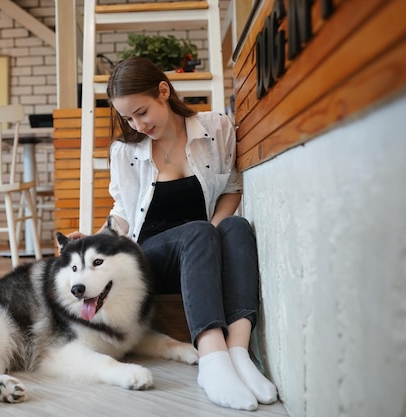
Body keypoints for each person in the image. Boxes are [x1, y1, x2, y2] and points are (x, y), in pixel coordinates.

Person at [69, 56, 277, 411]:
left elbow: (231, 187)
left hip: (200, 244)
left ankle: (240, 352)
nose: (137, 124)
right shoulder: (126, 151)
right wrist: (91, 238)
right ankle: (212, 359)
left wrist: (214, 231)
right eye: (128, 117)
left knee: (236, 226)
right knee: (199, 231)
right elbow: (122, 213)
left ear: (164, 91)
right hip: (153, 254)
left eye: (142, 112)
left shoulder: (215, 129)